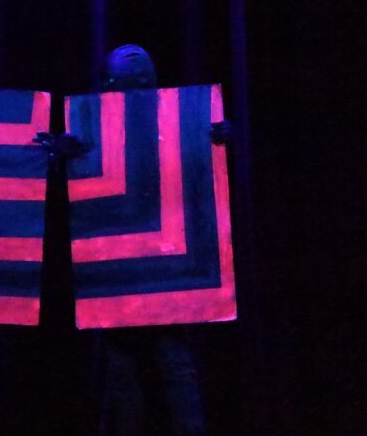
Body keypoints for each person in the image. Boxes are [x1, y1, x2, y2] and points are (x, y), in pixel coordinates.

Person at [40, 44, 227, 436]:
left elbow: (196, 184)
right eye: (126, 83)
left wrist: (215, 139)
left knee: (173, 361)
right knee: (122, 370)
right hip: (117, 270)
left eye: (144, 82)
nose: (136, 90)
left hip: (169, 265)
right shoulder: (90, 128)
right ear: (108, 85)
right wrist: (63, 158)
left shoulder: (176, 120)